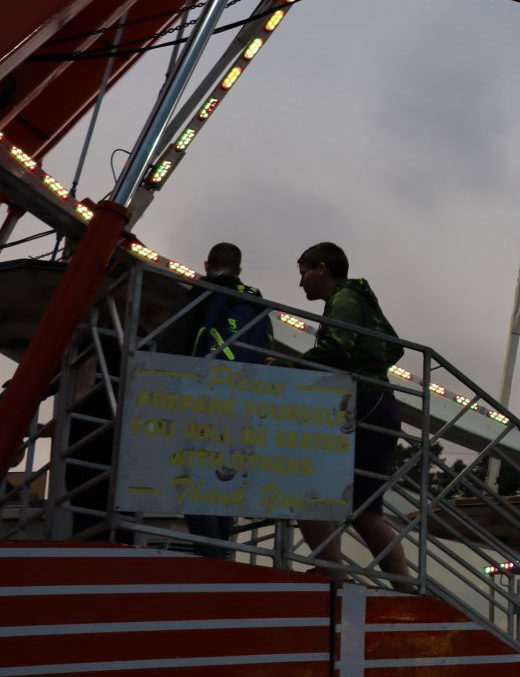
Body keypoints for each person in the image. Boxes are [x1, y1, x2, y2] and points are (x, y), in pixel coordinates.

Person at [292, 242, 412, 581]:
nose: (301, 283)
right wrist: (371, 365)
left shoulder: (343, 300)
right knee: (365, 510)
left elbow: (336, 352)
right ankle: (406, 588)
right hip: (381, 406)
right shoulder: (361, 299)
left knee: (302, 485)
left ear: (321, 269)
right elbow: (394, 348)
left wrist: (288, 364)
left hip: (364, 405)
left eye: (303, 273)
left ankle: (332, 572)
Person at [161, 242, 272, 560]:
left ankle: (211, 555)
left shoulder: (196, 295)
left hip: (200, 401)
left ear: (207, 265)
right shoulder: (255, 304)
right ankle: (221, 551)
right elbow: (266, 356)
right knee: (226, 479)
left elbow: (172, 345)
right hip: (243, 406)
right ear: (240, 270)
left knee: (194, 478)